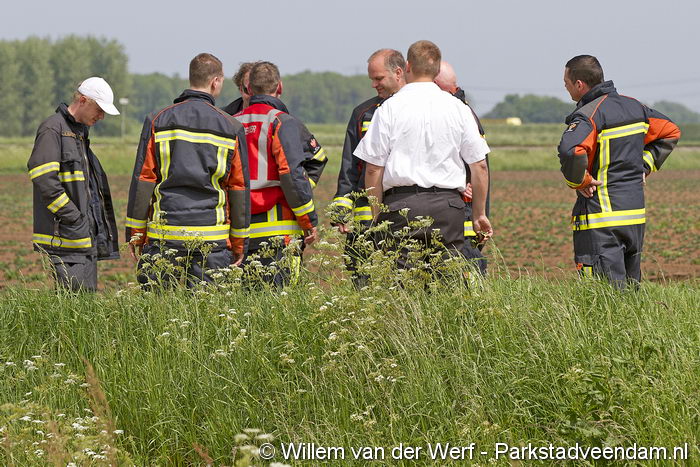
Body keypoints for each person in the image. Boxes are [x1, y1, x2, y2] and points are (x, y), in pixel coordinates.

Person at [355, 40, 492, 272]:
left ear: (407, 66)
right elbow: (479, 166)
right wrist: (479, 214)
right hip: (448, 208)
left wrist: (377, 215)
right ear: (437, 71)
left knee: (402, 282)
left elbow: (373, 168)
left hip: (401, 207)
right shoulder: (459, 108)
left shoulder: (388, 108)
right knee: (447, 279)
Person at [126, 53, 250, 289]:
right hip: (212, 238)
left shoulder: (157, 120)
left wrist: (135, 235)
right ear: (215, 81)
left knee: (157, 307)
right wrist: (240, 241)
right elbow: (238, 187)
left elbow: (143, 179)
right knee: (207, 308)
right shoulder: (231, 126)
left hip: (165, 234)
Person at [557, 55, 681, 288]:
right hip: (634, 216)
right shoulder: (636, 107)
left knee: (601, 293)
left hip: (601, 219)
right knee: (630, 291)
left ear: (579, 84)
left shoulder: (589, 115)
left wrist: (581, 181)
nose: (565, 87)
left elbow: (571, 151)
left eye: (566, 83)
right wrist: (644, 165)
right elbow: (671, 131)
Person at [27, 77, 121, 292]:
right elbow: (44, 179)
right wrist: (73, 218)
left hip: (82, 238)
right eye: (99, 109)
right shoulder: (53, 128)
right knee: (73, 301)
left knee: (85, 303)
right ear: (83, 100)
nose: (102, 116)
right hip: (67, 238)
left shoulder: (79, 133)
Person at [234, 61, 319, 287]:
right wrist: (309, 220)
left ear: (249, 88)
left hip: (238, 230)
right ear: (279, 87)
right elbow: (292, 175)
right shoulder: (282, 121)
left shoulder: (229, 123)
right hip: (279, 232)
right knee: (282, 299)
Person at [330, 48, 406, 286]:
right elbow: (350, 168)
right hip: (365, 219)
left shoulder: (418, 109)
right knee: (363, 283)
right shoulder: (363, 113)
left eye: (379, 78)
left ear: (398, 73)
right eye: (372, 79)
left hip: (405, 211)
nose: (374, 85)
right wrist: (341, 208)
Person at [223, 62, 328, 189]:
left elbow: (316, 161)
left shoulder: (286, 122)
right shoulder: (223, 120)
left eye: (261, 88)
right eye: (251, 89)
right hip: (235, 199)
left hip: (275, 199)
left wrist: (299, 190)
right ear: (242, 89)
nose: (254, 95)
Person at [434, 60, 490, 276]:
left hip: (462, 209)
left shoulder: (458, 112)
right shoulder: (463, 111)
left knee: (465, 267)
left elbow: (479, 166)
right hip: (461, 209)